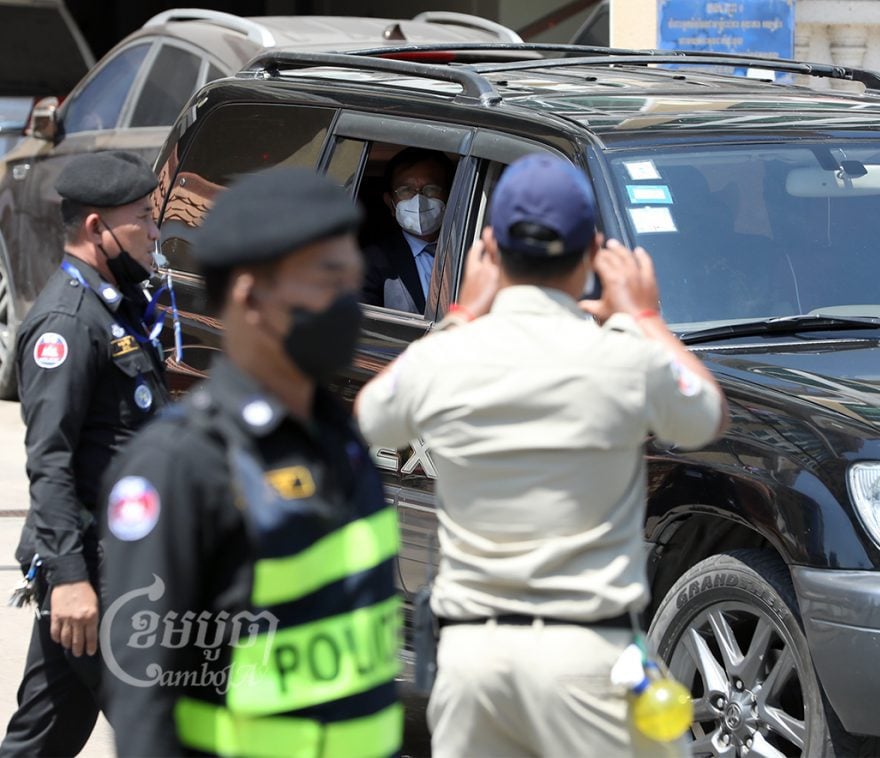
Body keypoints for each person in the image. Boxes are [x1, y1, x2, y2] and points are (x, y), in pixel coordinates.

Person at [356, 154, 729, 756]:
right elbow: (705, 412)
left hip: (473, 664)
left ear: (492, 254)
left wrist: (460, 312)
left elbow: (375, 412)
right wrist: (646, 317)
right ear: (591, 254)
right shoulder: (620, 355)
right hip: (586, 658)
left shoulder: (454, 356)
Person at [99, 167, 403, 757]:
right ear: (250, 293)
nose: (350, 303)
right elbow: (146, 708)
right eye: (329, 280)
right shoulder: (183, 464)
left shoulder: (338, 438)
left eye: (354, 281)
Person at [0, 151, 168, 757]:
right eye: (142, 219)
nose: (154, 231)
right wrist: (70, 582)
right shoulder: (68, 323)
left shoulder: (114, 308)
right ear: (98, 228)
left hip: (119, 565)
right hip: (98, 573)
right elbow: (50, 461)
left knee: (45, 735)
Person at [361, 148, 454, 313]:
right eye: (405, 191)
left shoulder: (473, 247)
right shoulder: (373, 261)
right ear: (391, 203)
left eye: (431, 189)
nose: (418, 199)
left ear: (449, 195)